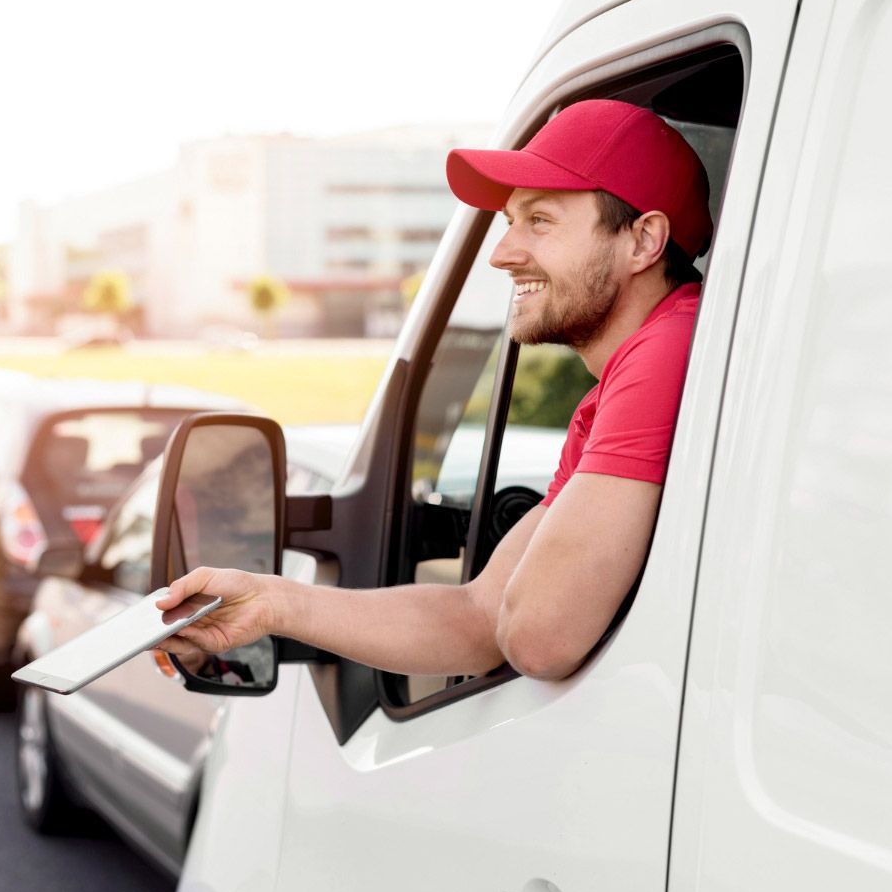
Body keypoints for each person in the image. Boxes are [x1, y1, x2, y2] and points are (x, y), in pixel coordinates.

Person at [157, 99, 713, 682]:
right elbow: (478, 618)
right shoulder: (627, 377)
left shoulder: (668, 349)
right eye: (509, 223)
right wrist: (271, 604)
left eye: (541, 220)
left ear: (644, 240)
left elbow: (539, 636)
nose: (502, 254)